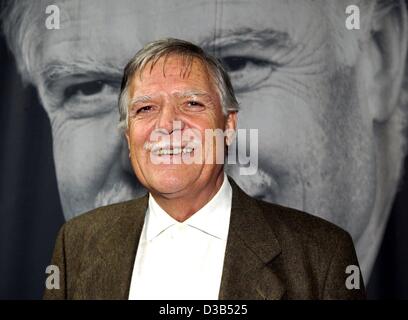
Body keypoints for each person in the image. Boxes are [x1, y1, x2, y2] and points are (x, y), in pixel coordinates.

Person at [1, 0, 407, 284]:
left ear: (380, 57)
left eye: (234, 66)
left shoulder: (332, 256)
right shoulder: (74, 258)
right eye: (90, 88)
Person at [43, 39, 365, 299]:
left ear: (228, 126)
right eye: (145, 108)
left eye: (192, 104)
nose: (166, 125)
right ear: (129, 137)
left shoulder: (322, 256)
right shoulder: (77, 244)